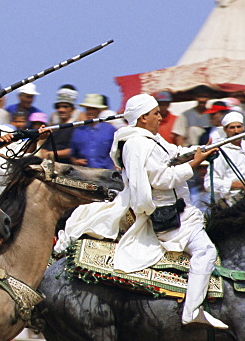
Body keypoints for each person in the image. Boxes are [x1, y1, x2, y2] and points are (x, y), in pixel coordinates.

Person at [56, 94, 225, 328]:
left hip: (179, 207)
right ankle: (192, 310)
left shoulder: (148, 139)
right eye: (156, 113)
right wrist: (194, 165)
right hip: (167, 214)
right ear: (144, 117)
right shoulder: (139, 145)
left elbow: (174, 152)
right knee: (205, 251)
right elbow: (162, 178)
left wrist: (203, 149)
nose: (160, 116)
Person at [203, 112, 245, 203]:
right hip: (231, 201)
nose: (236, 131)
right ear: (225, 130)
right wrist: (236, 184)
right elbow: (209, 184)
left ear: (243, 128)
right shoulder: (220, 151)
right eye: (232, 128)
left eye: (239, 127)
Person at [69, 94, 116, 168]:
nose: (90, 112)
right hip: (84, 174)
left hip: (106, 174)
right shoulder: (78, 131)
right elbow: (72, 154)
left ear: (99, 110)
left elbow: (117, 153)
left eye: (93, 109)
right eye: (88, 109)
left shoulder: (110, 130)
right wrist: (76, 161)